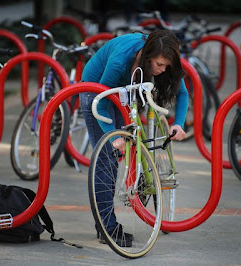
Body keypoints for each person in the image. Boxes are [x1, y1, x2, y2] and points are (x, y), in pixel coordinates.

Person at [80, 29, 189, 247]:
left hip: (127, 87)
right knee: (106, 158)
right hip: (96, 91)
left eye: (167, 66)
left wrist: (179, 123)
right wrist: (112, 139)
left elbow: (182, 92)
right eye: (159, 64)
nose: (162, 70)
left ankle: (138, 176)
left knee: (123, 147)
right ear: (147, 57)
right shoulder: (120, 61)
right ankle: (106, 227)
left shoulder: (164, 54)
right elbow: (102, 101)